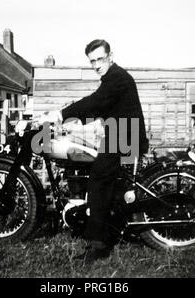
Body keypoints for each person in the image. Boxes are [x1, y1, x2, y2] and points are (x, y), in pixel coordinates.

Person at [39, 39, 148, 264]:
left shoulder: (117, 78)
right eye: (92, 61)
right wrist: (71, 123)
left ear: (111, 55)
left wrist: (61, 115)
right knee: (97, 170)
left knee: (98, 179)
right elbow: (101, 108)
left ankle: (98, 245)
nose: (97, 64)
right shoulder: (112, 78)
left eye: (100, 58)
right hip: (121, 132)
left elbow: (95, 101)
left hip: (125, 136)